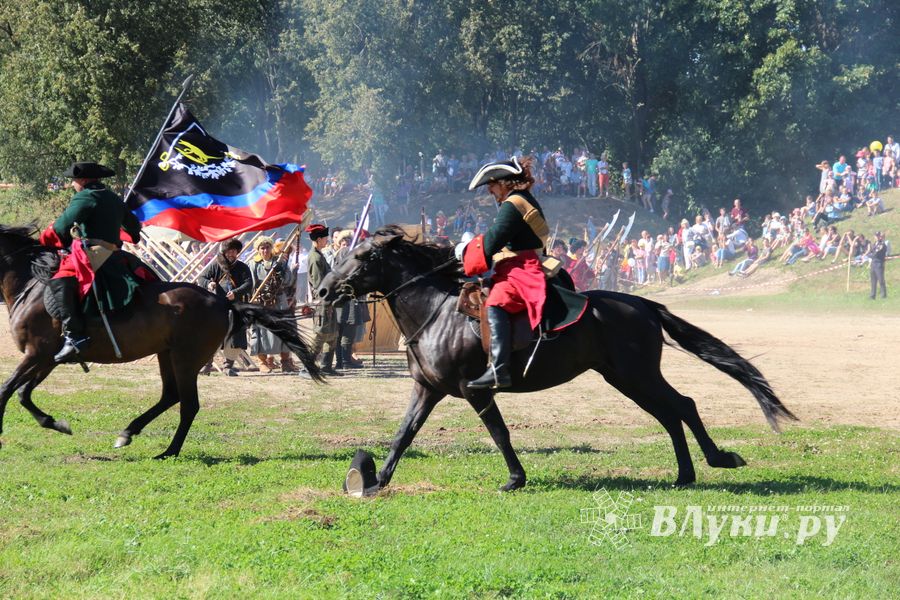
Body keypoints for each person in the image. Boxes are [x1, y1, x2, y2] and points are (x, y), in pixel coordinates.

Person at [39, 161, 143, 363]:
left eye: (74, 181)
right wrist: (131, 234)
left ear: (83, 180)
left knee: (60, 280)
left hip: (93, 254)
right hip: (113, 253)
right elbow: (134, 227)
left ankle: (74, 338)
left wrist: (45, 239)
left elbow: (63, 225)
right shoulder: (113, 198)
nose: (73, 185)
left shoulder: (86, 196)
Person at [461, 156, 549, 389]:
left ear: (505, 182)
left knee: (497, 301)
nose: (489, 189)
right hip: (516, 263)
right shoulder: (519, 200)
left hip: (523, 267)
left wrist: (462, 253)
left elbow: (491, 242)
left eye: (491, 184)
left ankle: (499, 370)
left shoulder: (513, 204)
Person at [197, 239, 252, 376]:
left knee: (234, 337)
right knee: (211, 335)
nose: (231, 254)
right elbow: (202, 278)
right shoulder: (216, 265)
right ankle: (207, 365)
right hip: (217, 306)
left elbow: (248, 284)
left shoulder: (243, 267)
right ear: (225, 252)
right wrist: (209, 283)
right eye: (228, 251)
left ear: (237, 252)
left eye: (233, 251)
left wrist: (236, 292)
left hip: (236, 307)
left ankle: (228, 366)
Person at [249, 236, 296, 373]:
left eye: (267, 247)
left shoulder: (279, 262)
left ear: (271, 248)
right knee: (262, 331)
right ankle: (262, 362)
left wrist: (282, 272)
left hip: (279, 300)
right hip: (262, 301)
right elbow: (252, 284)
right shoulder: (254, 264)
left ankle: (285, 361)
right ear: (258, 250)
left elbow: (288, 280)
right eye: (262, 248)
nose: (265, 250)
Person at [306, 224, 341, 376]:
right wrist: (328, 298)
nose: (327, 240)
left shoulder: (319, 255)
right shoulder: (315, 258)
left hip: (329, 301)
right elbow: (319, 283)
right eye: (325, 238)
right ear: (319, 239)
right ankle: (308, 367)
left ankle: (326, 366)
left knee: (332, 335)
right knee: (320, 335)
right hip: (323, 302)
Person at [869, 231, 887, 300]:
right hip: (873, 263)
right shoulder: (874, 244)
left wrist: (869, 255)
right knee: (873, 281)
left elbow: (875, 253)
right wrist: (869, 255)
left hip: (879, 264)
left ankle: (883, 295)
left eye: (877, 236)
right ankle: (872, 295)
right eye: (875, 236)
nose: (876, 237)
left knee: (881, 280)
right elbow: (871, 252)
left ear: (880, 237)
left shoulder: (882, 244)